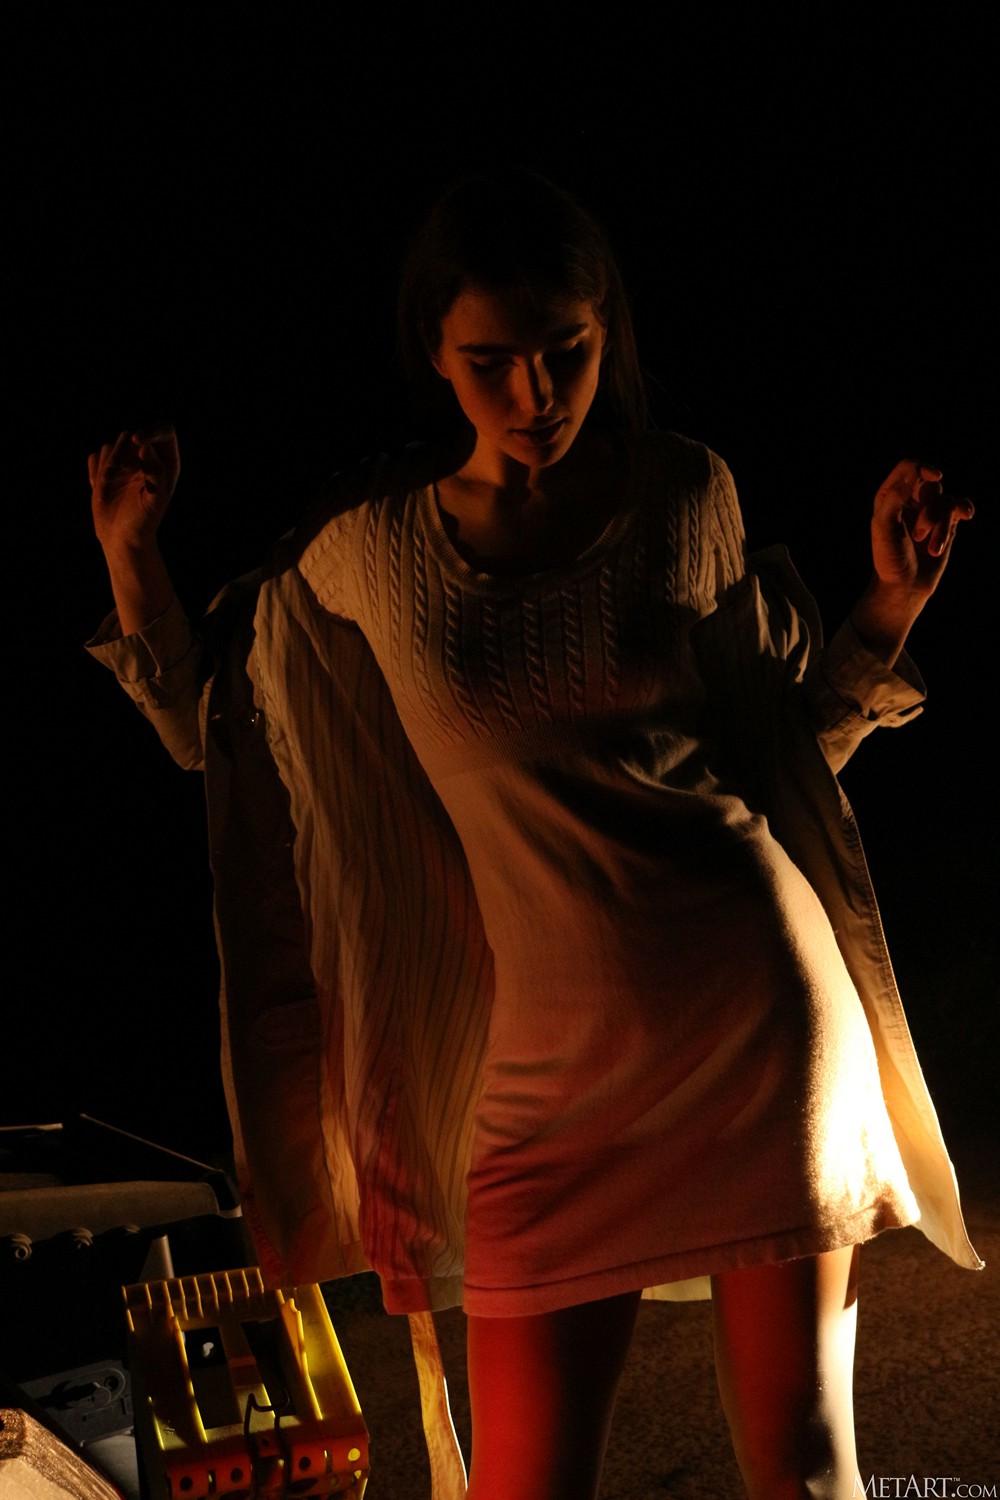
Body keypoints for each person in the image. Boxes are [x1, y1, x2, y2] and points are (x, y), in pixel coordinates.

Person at [86, 164, 982, 1500]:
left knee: (803, 1471)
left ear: (606, 326)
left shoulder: (686, 492)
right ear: (433, 354)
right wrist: (132, 559)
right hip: (543, 1086)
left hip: (753, 1024)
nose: (536, 395)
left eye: (567, 351)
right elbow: (217, 732)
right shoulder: (366, 549)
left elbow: (782, 749)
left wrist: (890, 605)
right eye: (491, 363)